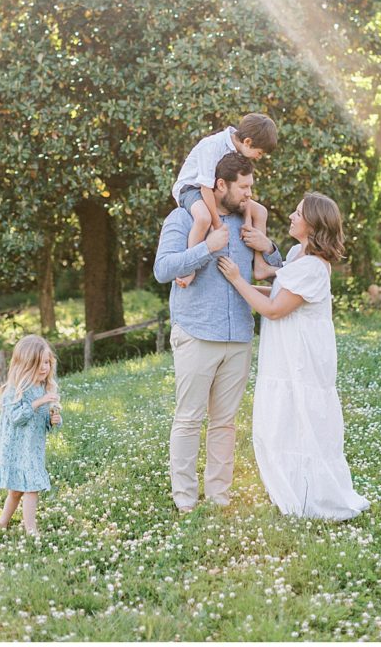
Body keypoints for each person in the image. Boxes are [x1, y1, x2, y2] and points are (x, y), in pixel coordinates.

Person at [217, 192, 370, 520]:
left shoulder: (314, 267)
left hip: (302, 358)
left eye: (298, 213)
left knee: (302, 421)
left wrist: (234, 280)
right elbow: (263, 278)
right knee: (282, 421)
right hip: (286, 355)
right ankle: (292, 490)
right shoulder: (297, 252)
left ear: (313, 225)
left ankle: (311, 497)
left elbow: (273, 309)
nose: (292, 216)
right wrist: (255, 223)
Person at [154, 151, 282, 513]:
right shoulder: (183, 218)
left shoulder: (249, 222)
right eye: (243, 187)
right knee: (189, 419)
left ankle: (219, 497)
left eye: (251, 187)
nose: (249, 194)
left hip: (239, 336)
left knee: (225, 424)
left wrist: (269, 246)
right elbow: (163, 270)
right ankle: (185, 501)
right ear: (220, 184)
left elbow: (279, 271)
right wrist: (206, 249)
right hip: (196, 333)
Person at [171, 113, 278, 287]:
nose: (259, 157)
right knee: (203, 218)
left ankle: (260, 266)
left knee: (261, 212)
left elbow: (245, 189)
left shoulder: (242, 149)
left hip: (217, 190)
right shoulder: (213, 145)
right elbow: (205, 187)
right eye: (259, 153)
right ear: (248, 142)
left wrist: (248, 221)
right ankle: (189, 269)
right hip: (192, 188)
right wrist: (217, 225)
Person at [0, 334, 62, 534]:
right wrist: (39, 402)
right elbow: (18, 417)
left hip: (32, 448)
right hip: (15, 448)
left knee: (20, 489)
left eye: (46, 362)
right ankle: (30, 530)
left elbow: (42, 421)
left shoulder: (44, 387)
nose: (44, 367)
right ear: (25, 365)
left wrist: (53, 421)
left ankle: (2, 524)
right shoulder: (14, 390)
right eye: (38, 363)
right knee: (24, 489)